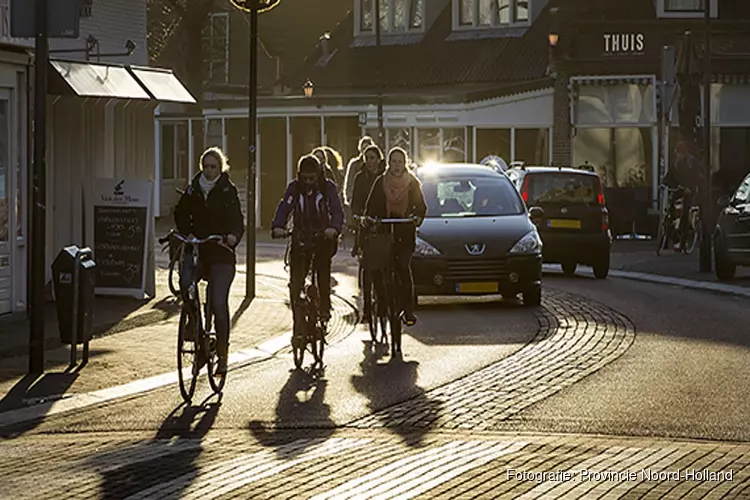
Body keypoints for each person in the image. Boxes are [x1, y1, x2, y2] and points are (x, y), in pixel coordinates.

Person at [174, 146, 244, 377]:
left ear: (220, 167)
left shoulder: (227, 190)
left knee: (217, 302)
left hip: (221, 252)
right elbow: (180, 213)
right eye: (205, 166)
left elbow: (237, 220)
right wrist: (187, 232)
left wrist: (232, 236)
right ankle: (194, 325)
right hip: (198, 250)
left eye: (213, 167)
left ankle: (222, 355)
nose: (209, 171)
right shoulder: (193, 189)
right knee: (185, 283)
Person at [271, 154, 344, 326]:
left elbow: (336, 209)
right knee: (296, 278)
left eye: (312, 178)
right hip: (300, 236)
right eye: (305, 178)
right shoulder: (294, 188)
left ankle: (324, 307)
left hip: (322, 237)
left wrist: (333, 228)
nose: (309, 181)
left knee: (323, 269)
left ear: (319, 174)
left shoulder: (328, 187)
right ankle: (297, 319)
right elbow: (285, 206)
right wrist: (278, 226)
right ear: (299, 175)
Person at [364, 147, 427, 327]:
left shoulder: (412, 183)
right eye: (393, 162)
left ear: (405, 163)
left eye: (400, 162)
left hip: (404, 233)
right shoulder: (380, 182)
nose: (397, 166)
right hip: (384, 232)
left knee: (403, 268)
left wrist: (416, 217)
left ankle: (408, 310)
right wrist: (371, 219)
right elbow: (371, 207)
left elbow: (421, 206)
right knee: (378, 267)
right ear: (389, 164)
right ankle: (382, 303)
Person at [343, 136, 375, 211]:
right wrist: (349, 198)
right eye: (363, 148)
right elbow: (349, 182)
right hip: (356, 199)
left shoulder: (375, 164)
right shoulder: (354, 164)